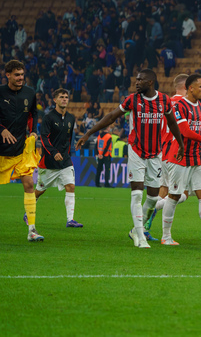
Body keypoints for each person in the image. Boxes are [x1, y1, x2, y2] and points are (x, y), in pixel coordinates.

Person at [76, 69, 184, 249]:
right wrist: (88, 133)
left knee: (152, 197)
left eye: (140, 80)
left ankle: (135, 229)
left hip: (155, 153)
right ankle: (140, 236)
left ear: (150, 82)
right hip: (136, 151)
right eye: (136, 79)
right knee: (136, 193)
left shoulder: (164, 100)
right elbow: (111, 117)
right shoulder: (132, 100)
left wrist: (180, 144)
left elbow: (172, 122)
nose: (136, 82)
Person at [161, 74, 201, 246]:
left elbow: (198, 131)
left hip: (198, 156)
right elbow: (184, 131)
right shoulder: (179, 106)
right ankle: (166, 236)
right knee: (174, 196)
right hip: (180, 156)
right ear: (191, 88)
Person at [0, 60, 43, 242]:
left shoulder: (30, 93)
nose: (20, 78)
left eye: (22, 75)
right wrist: (1, 129)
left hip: (20, 149)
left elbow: (33, 113)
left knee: (29, 185)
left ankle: (32, 230)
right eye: (16, 75)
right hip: (1, 149)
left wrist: (33, 130)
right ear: (7, 75)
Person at [144, 74, 189, 239]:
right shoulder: (186, 104)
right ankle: (149, 216)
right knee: (183, 192)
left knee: (164, 190)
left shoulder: (164, 102)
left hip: (162, 151)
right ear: (187, 87)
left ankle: (142, 228)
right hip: (177, 152)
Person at [35, 88, 82, 228]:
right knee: (40, 190)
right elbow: (44, 138)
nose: (64, 99)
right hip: (49, 161)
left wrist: (69, 151)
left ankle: (70, 220)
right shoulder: (48, 117)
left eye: (66, 97)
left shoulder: (71, 118)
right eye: (61, 97)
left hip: (65, 160)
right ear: (55, 100)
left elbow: (68, 138)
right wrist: (53, 152)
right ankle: (29, 211)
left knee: (71, 186)